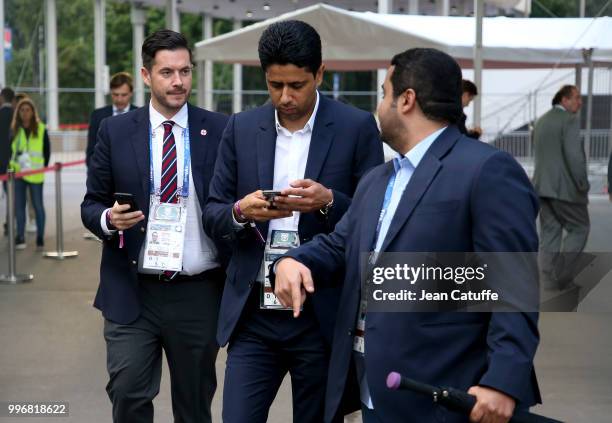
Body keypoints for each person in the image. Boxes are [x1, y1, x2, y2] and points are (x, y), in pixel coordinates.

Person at [274, 48, 541, 423]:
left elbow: (514, 282)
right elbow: (339, 245)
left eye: (384, 93)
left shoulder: (487, 170)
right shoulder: (377, 179)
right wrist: (293, 260)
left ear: (406, 99)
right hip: (376, 392)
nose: (380, 105)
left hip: (450, 399)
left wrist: (503, 381)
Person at [203, 20, 384, 423]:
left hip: (322, 315)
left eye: (297, 85)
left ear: (320, 73)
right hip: (254, 314)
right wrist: (239, 211)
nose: (285, 97)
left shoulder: (356, 128)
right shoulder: (241, 127)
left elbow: (374, 216)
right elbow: (213, 212)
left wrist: (328, 202)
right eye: (275, 84)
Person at [81, 30, 229, 423]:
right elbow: (90, 203)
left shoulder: (219, 129)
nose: (178, 81)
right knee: (128, 393)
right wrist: (108, 220)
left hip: (198, 292)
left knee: (195, 405)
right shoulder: (115, 132)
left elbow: (231, 203)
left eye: (185, 71)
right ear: (146, 76)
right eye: (167, 72)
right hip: (132, 290)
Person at [533, 84, 588, 291]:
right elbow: (574, 156)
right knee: (579, 228)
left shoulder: (541, 121)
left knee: (550, 231)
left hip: (542, 187)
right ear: (564, 100)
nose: (580, 102)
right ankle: (563, 276)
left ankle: (546, 279)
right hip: (564, 188)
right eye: (576, 98)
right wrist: (582, 183)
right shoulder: (569, 120)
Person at [9, 97, 50, 250]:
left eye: (28, 110)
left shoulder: (41, 129)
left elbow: (47, 150)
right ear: (18, 112)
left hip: (36, 174)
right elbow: (10, 152)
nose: (25, 113)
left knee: (38, 206)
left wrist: (43, 167)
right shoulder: (14, 130)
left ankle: (40, 237)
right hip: (18, 174)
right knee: (19, 206)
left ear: (33, 112)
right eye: (22, 110)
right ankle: (20, 236)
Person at [86, 71, 137, 167]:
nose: (119, 99)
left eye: (123, 95)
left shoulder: (141, 115)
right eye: (115, 94)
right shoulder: (98, 116)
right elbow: (91, 150)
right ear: (110, 92)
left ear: (131, 93)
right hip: (105, 174)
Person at [0, 87, 15, 236]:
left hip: (1, 160)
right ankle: (10, 222)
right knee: (11, 194)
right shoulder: (15, 115)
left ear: (3, 97)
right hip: (12, 161)